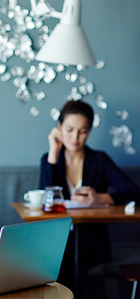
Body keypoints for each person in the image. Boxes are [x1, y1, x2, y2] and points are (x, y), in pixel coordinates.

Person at [39, 99, 140, 286]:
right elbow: (45, 201)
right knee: (55, 263)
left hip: (93, 242)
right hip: (57, 242)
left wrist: (101, 197)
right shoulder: (49, 159)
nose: (75, 137)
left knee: (71, 269)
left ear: (89, 131)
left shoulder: (99, 160)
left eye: (83, 131)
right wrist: (53, 152)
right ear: (59, 127)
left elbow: (135, 193)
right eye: (69, 130)